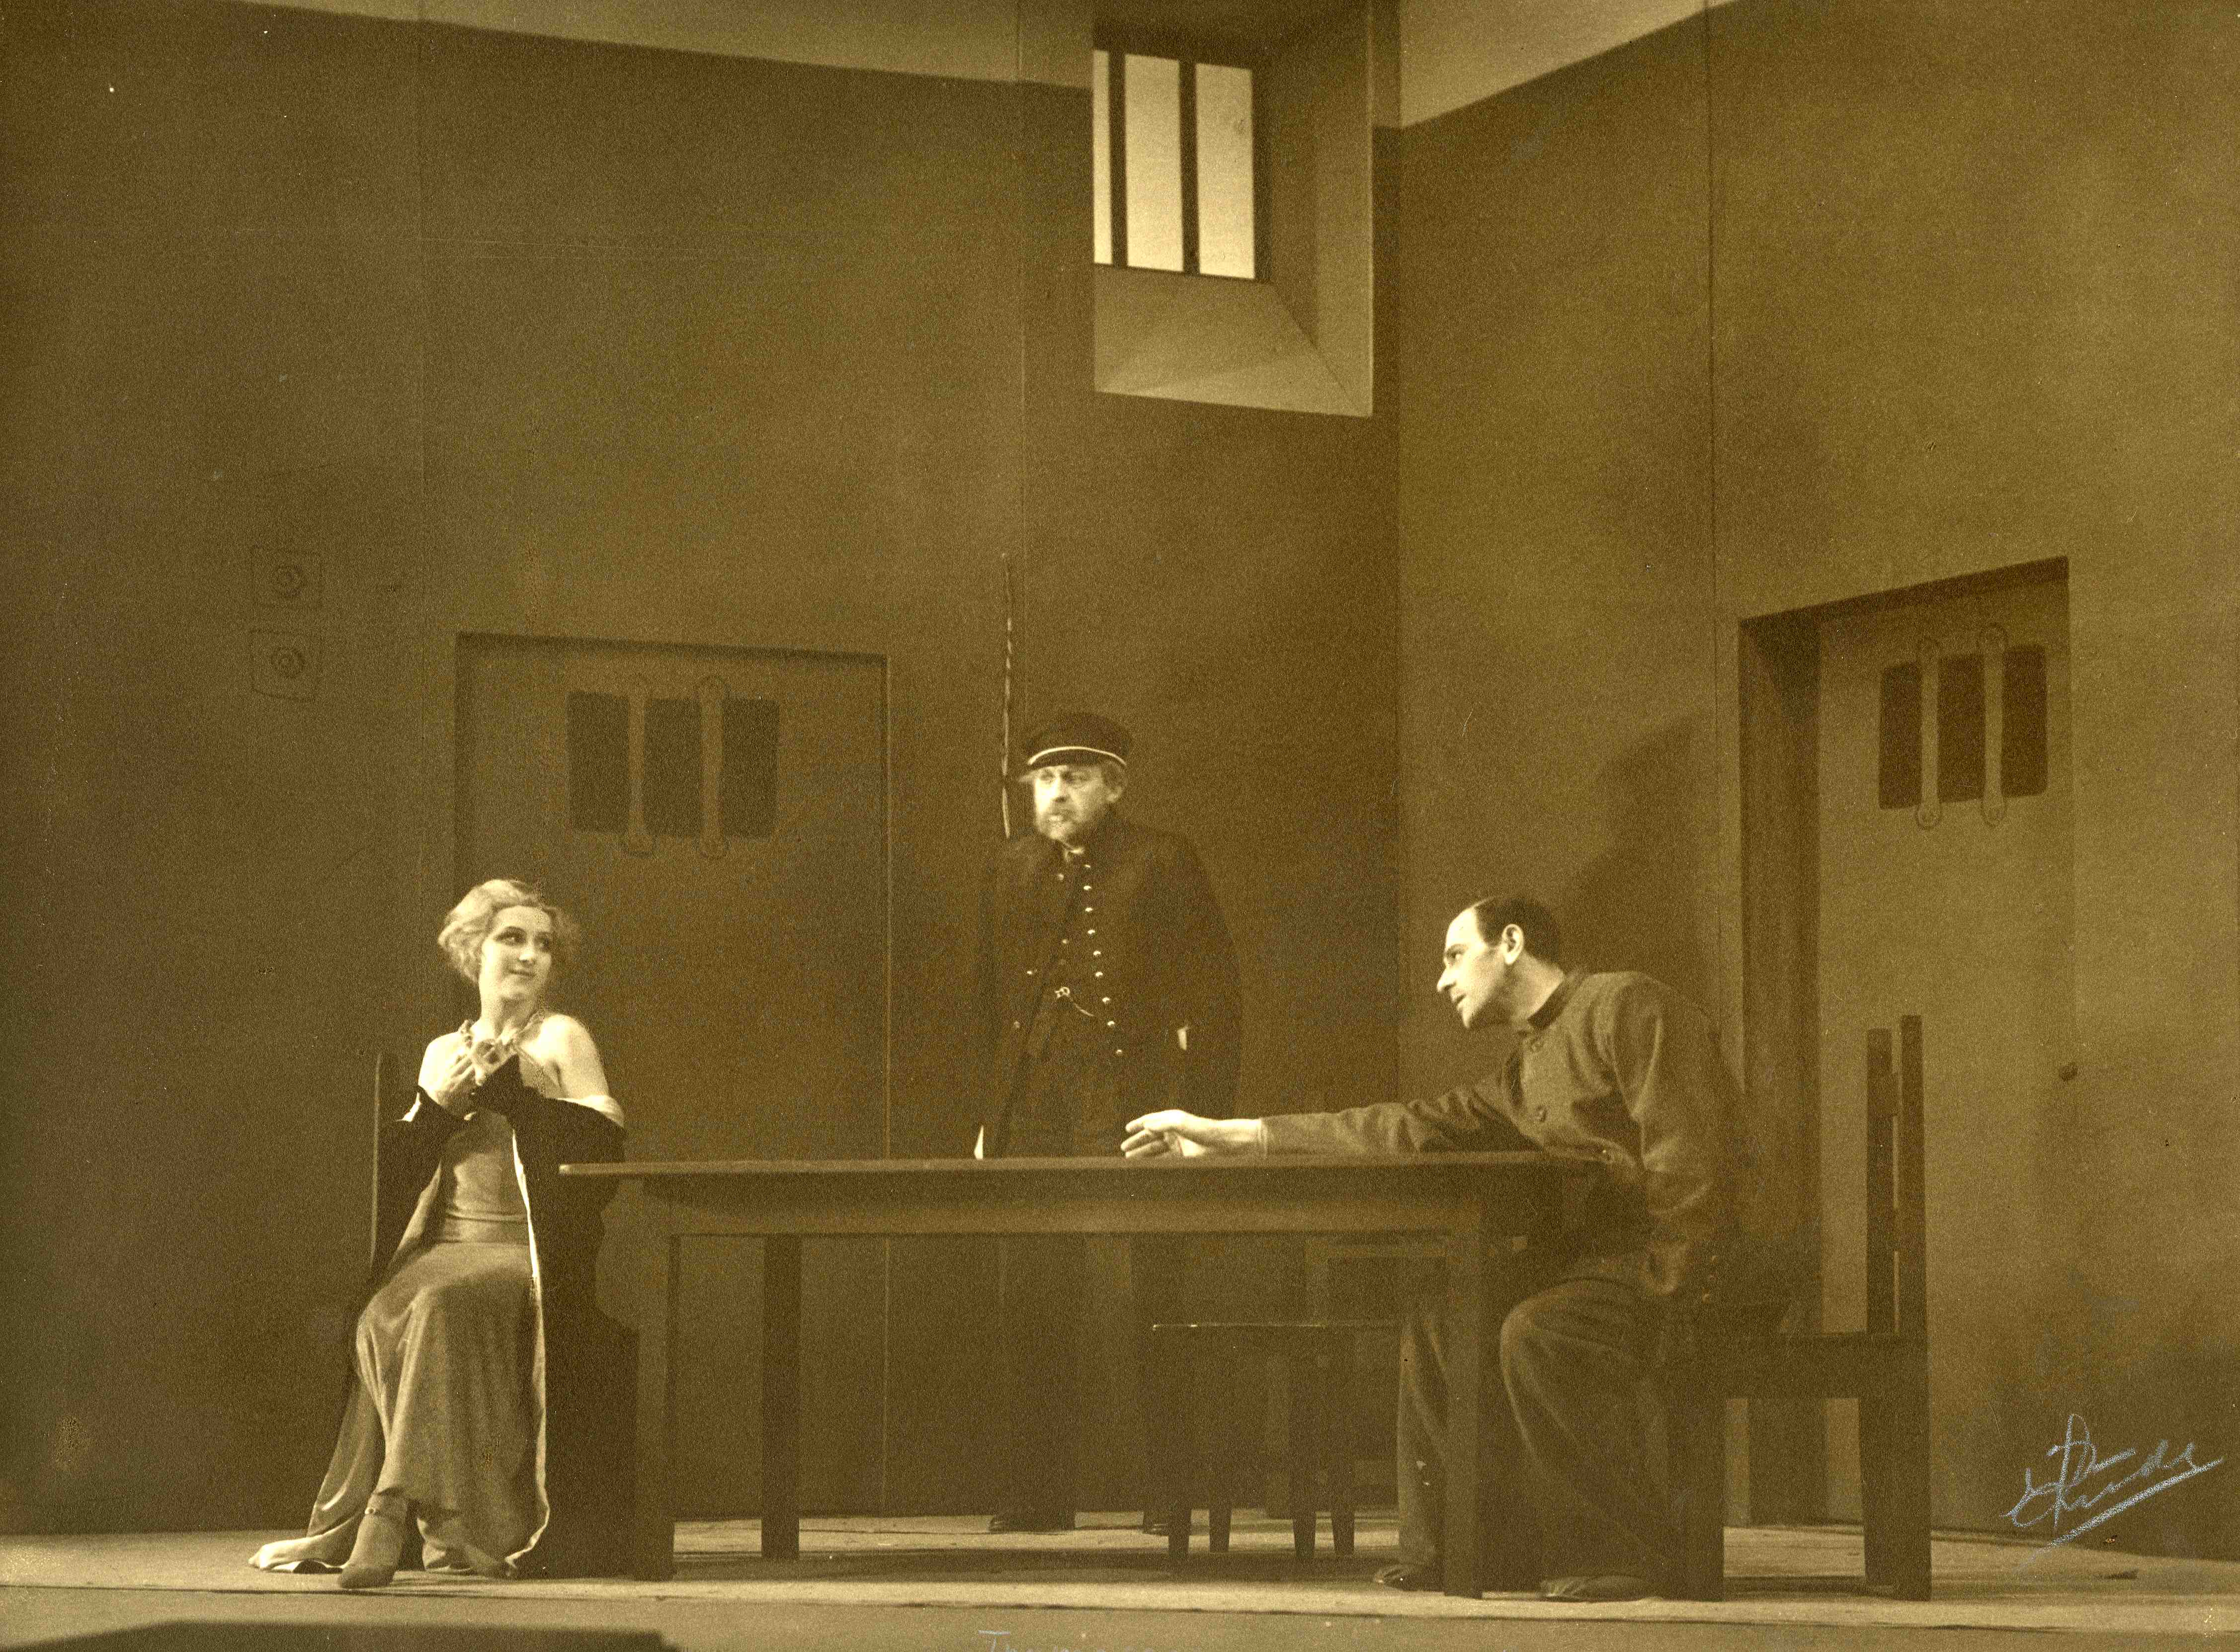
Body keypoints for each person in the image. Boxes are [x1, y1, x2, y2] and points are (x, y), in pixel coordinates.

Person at [1122, 896, 1789, 1601]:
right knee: (1444, 1318)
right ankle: (1467, 1550)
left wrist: (1676, 1289)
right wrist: (1235, 1136)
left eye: (1454, 956)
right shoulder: (1523, 1069)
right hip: (1614, 1271)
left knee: (1539, 1329)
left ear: (1511, 943)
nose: (1442, 981)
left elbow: (1694, 1163)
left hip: (1700, 1268)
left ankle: (1619, 1553)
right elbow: (1408, 1126)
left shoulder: (1627, 1004)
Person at [252, 879, 635, 1586]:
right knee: (381, 1312)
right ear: (473, 952)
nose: (530, 956)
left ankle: (390, 1509)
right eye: (511, 939)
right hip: (445, 1247)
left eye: (543, 944)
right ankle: (429, 1515)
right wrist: (437, 1107)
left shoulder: (564, 1038)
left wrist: (521, 1097)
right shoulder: (440, 1051)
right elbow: (398, 1178)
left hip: (524, 1252)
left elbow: (603, 1160)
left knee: (436, 1307)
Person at [971, 712, 1242, 1533]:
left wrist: (1202, 1119)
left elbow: (1216, 996)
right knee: (1031, 1293)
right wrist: (991, 1114)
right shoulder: (1010, 866)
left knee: (1150, 1288)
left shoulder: (1163, 860)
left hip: (1133, 1096)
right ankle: (1036, 1495)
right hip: (1035, 1099)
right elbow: (989, 1001)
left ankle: (1171, 1492)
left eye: (1077, 777)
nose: (1057, 793)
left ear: (1114, 786)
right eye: (1046, 779)